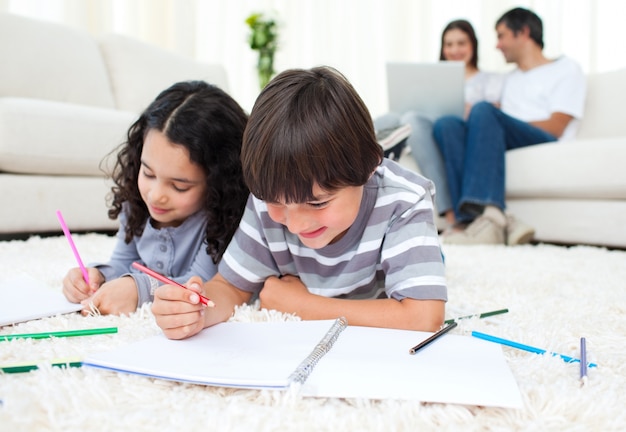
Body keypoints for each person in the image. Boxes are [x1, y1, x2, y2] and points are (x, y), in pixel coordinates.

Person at [152, 66, 447, 340]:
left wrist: (303, 306)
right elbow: (230, 287)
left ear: (370, 166)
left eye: (318, 203)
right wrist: (198, 310)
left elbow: (423, 316)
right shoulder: (267, 196)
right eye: (276, 203)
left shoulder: (405, 201)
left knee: (430, 269)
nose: (295, 224)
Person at [62, 80, 249, 315]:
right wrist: (97, 276)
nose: (156, 195)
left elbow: (202, 283)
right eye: (148, 173)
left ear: (219, 182)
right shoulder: (137, 204)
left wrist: (138, 289)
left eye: (179, 186)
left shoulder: (223, 218)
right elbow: (124, 262)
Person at [432, 7, 586, 245]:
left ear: (523, 32)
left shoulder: (565, 69)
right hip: (506, 138)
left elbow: (557, 126)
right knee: (447, 124)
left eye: (501, 36)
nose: (497, 45)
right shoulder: (508, 79)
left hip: (545, 139)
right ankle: (471, 221)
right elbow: (490, 121)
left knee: (484, 110)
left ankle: (491, 215)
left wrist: (493, 118)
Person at [375, 19, 504, 227]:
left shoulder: (489, 80)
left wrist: (469, 109)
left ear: (473, 45)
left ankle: (450, 213)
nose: (455, 50)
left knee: (410, 121)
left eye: (461, 43)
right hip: (426, 123)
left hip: (453, 131)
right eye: (449, 44)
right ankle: (354, 147)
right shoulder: (433, 77)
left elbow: (491, 117)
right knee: (390, 118)